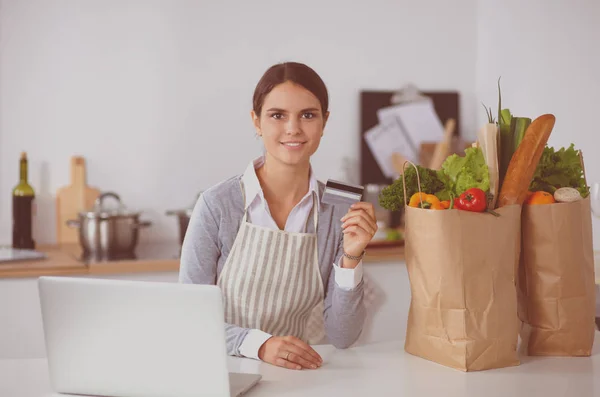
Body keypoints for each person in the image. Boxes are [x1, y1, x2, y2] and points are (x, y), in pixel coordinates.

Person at [179, 61, 378, 371]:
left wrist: (352, 257)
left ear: (324, 122)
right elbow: (188, 317)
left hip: (301, 376)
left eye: (308, 115)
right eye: (277, 115)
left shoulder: (338, 209)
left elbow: (343, 335)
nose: (293, 128)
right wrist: (260, 345)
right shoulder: (217, 205)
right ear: (256, 122)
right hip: (221, 372)